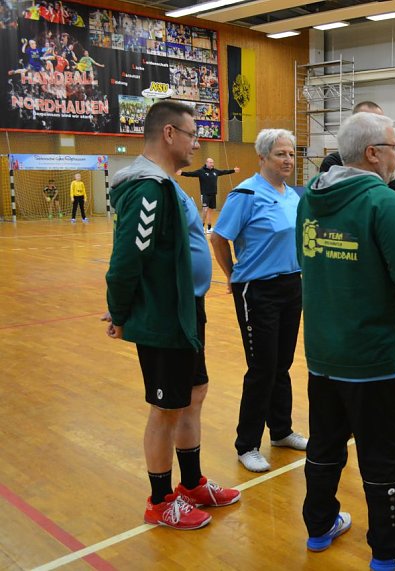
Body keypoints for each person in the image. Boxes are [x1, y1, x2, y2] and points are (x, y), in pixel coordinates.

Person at [297, 111, 395, 570]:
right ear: (373, 153)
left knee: (325, 445)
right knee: (384, 458)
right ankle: (389, 549)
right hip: (375, 360)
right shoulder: (384, 201)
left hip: (322, 353)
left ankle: (319, 526)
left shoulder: (308, 198)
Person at [103, 100, 240, 531]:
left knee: (193, 394)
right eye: (192, 134)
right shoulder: (147, 189)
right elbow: (127, 260)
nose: (197, 143)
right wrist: (119, 312)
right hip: (163, 317)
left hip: (186, 310)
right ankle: (160, 501)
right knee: (165, 408)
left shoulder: (168, 184)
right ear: (168, 134)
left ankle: (192, 483)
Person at [210, 129, 307, 473]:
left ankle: (280, 430)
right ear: (263, 158)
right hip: (257, 289)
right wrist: (233, 274)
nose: (288, 160)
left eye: (292, 154)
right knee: (262, 368)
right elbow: (219, 237)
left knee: (281, 364)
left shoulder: (293, 196)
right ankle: (247, 443)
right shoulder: (246, 194)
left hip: (291, 285)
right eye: (281, 154)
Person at [320, 101, 395, 208]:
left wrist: (390, 176)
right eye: (372, 122)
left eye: (382, 122)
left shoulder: (390, 160)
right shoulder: (334, 163)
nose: (378, 128)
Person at [180, 157, 239, 234]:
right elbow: (190, 174)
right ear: (206, 163)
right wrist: (181, 173)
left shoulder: (215, 171)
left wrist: (233, 170)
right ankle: (201, 227)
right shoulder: (201, 171)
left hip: (213, 194)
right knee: (205, 210)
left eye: (213, 162)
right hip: (205, 194)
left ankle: (209, 228)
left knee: (210, 211)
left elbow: (225, 172)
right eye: (210, 162)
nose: (212, 164)